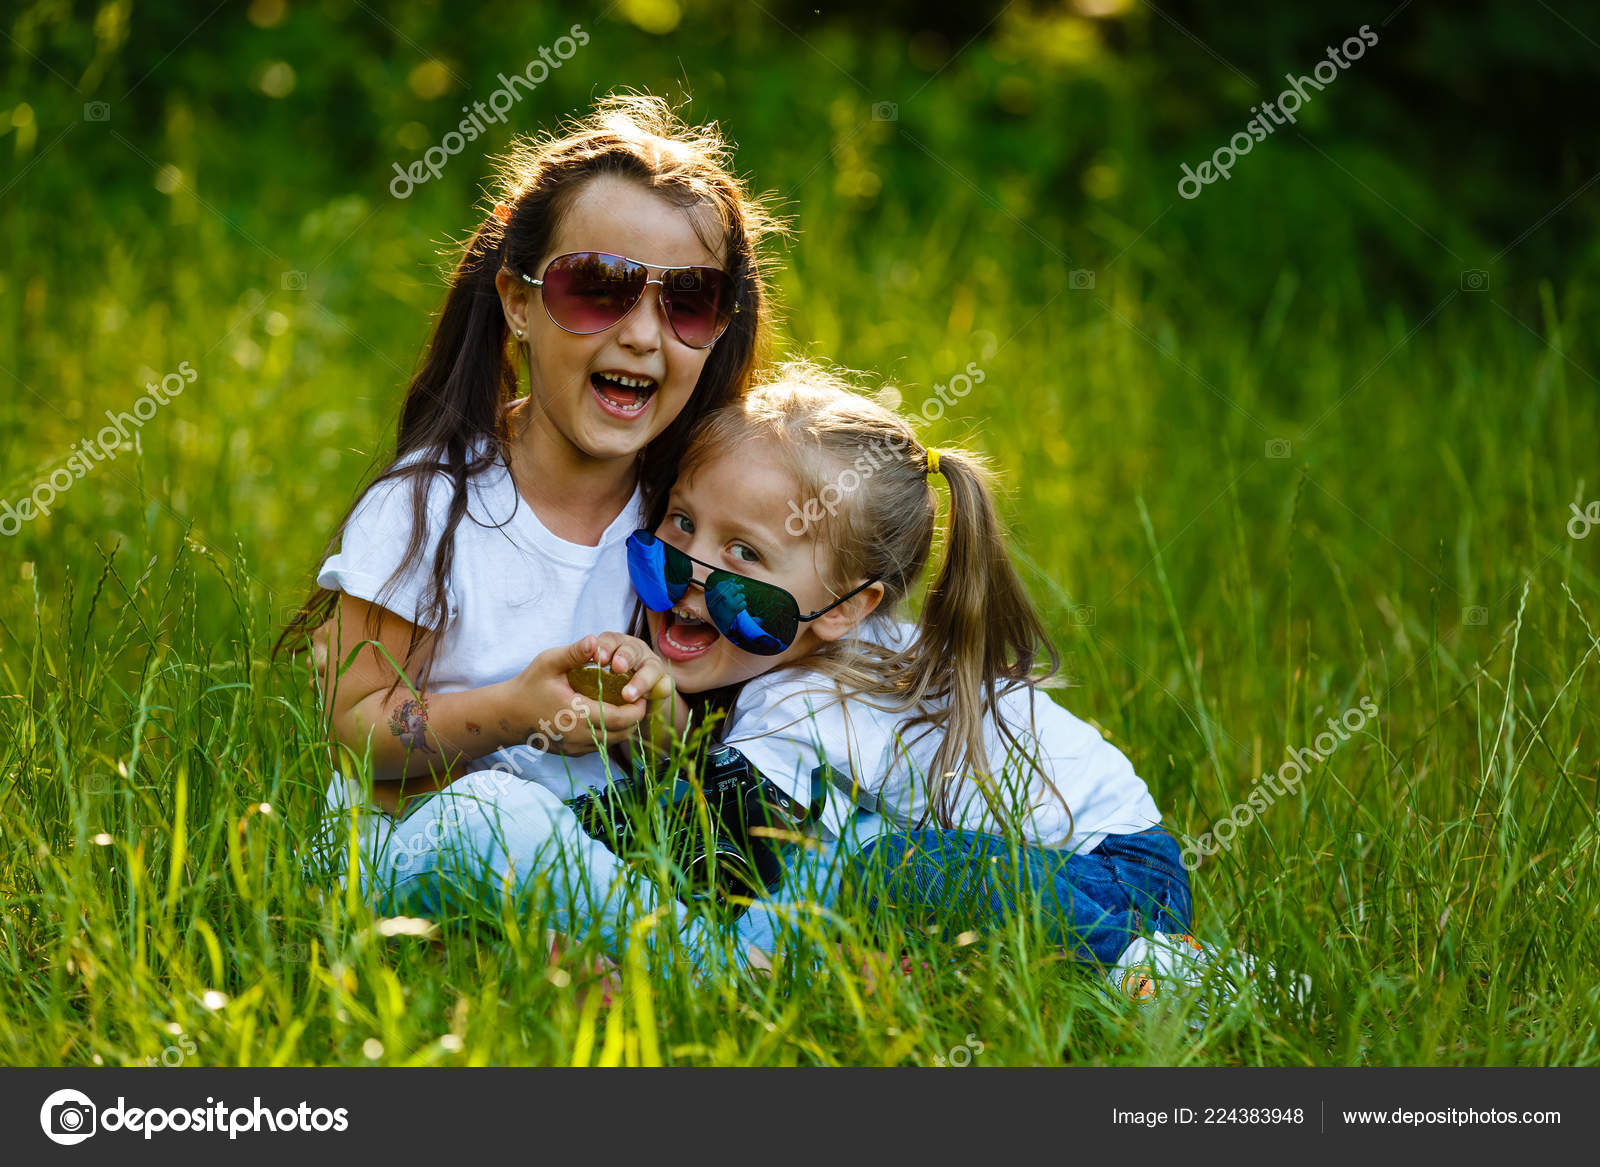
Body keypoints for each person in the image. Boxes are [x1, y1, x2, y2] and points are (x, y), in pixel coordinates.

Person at [486, 360, 1278, 1003]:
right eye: (682, 524)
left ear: (846, 608)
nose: (693, 578)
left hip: (1107, 876)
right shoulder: (789, 657)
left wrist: (524, 823)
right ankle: (943, 979)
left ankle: (1190, 980)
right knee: (848, 885)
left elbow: (716, 851)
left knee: (879, 873)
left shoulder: (816, 696)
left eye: (747, 559)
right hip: (1046, 869)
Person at [272, 93, 782, 969]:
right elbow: (355, 729)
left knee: (803, 824)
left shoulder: (689, 516)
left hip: (599, 856)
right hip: (408, 848)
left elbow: (683, 759)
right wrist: (514, 711)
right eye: (597, 289)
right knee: (496, 817)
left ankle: (622, 957)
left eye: (687, 302)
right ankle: (722, 971)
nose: (642, 336)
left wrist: (659, 723)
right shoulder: (430, 506)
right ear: (518, 300)